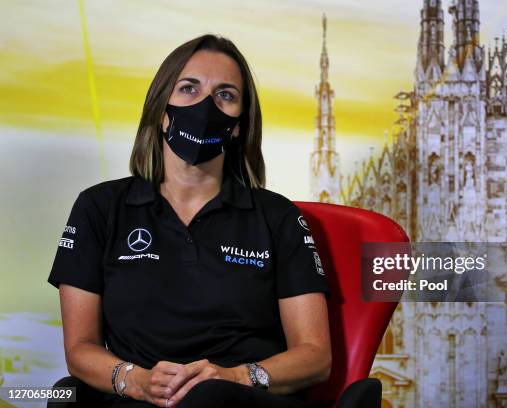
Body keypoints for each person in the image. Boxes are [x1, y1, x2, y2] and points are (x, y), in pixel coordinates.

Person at [47, 34, 331, 407]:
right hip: (138, 399)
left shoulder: (278, 218)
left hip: (241, 399)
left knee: (209, 397)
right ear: (162, 110)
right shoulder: (99, 208)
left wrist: (235, 376)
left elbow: (315, 356)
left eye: (225, 95)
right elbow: (80, 348)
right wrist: (138, 382)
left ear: (238, 126)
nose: (206, 106)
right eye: (188, 88)